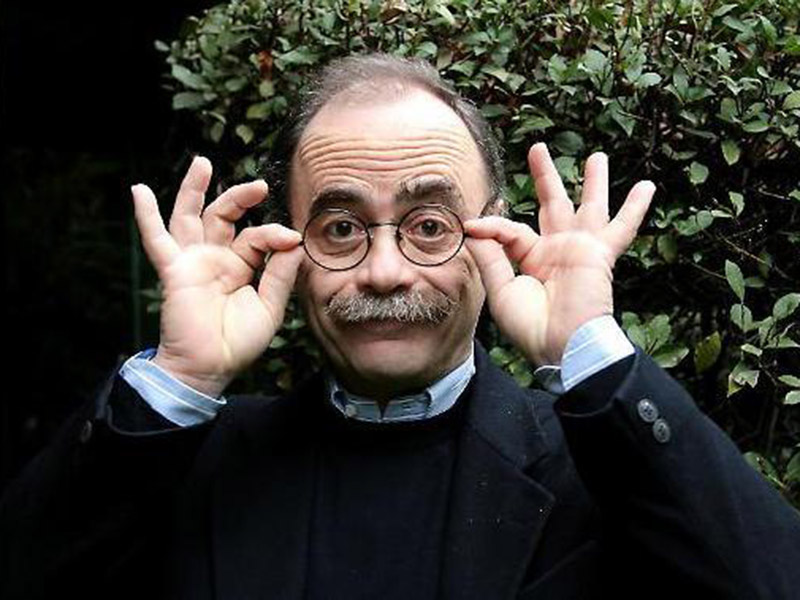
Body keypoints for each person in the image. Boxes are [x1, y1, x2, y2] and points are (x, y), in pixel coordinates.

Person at [1, 53, 799, 600]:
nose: (384, 272)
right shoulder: (183, 465)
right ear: (291, 252)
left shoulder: (603, 466)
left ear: (492, 239)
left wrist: (591, 352)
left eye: (429, 225)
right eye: (341, 228)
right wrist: (178, 378)